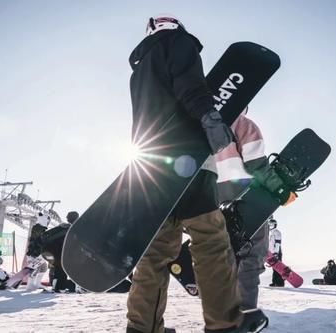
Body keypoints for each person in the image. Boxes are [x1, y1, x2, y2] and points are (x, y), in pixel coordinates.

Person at [126, 15, 272, 333]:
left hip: (151, 166)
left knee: (156, 250)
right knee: (211, 243)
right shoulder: (179, 43)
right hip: (186, 160)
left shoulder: (139, 70)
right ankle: (224, 326)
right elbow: (189, 85)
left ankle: (142, 328)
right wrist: (209, 117)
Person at [215, 109, 294, 303]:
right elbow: (256, 164)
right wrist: (281, 191)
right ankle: (245, 314)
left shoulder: (203, 126)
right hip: (246, 195)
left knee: (224, 255)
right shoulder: (243, 124)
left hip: (214, 197)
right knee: (251, 256)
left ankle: (222, 315)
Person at [42, 211, 79, 292]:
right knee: (61, 269)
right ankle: (59, 287)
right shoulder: (70, 228)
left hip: (49, 251)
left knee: (59, 269)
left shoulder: (62, 227)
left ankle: (58, 287)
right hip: (57, 252)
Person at [267, 218, 285, 287]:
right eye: (269, 225)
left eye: (272, 225)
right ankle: (275, 282)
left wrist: (276, 253)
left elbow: (277, 243)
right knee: (274, 268)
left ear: (275, 225)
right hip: (272, 253)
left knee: (278, 267)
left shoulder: (277, 232)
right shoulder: (271, 233)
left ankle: (280, 283)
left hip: (277, 252)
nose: (270, 226)